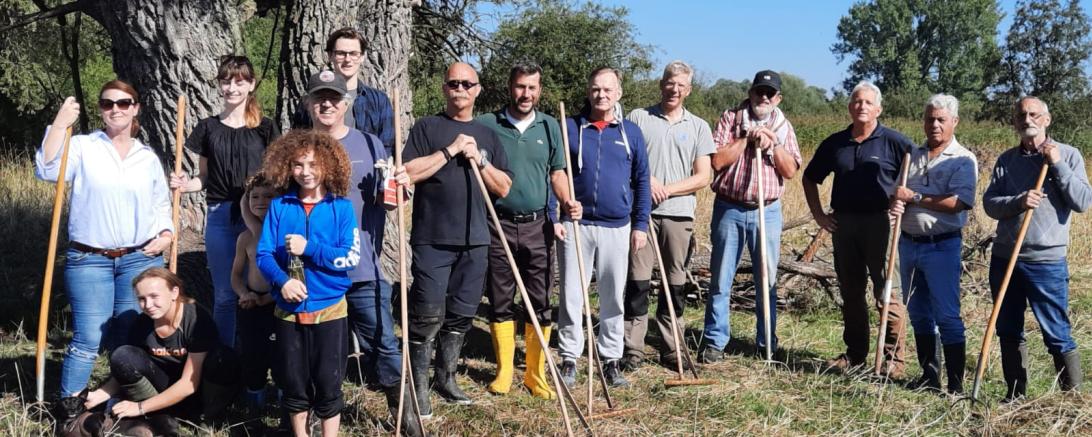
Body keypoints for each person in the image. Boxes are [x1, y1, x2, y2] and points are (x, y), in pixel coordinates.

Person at [38, 81, 174, 419]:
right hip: (89, 258)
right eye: (107, 103)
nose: (116, 109)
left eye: (124, 103)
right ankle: (69, 411)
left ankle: (116, 408)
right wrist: (60, 124)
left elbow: (160, 204)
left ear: (135, 108)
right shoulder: (83, 146)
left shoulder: (147, 157)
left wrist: (167, 233)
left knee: (127, 338)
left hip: (138, 258)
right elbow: (47, 170)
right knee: (87, 337)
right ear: (100, 109)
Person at [302, 69, 423, 435]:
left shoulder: (370, 145)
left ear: (346, 103)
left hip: (361, 266)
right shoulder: (298, 148)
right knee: (317, 349)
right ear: (308, 104)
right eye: (319, 98)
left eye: (334, 98)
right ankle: (315, 413)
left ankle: (404, 414)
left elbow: (388, 201)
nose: (327, 104)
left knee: (383, 342)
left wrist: (399, 191)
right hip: (312, 270)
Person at [395, 62, 512, 417]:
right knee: (427, 315)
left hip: (476, 239)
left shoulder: (488, 135)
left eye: (467, 83)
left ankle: (445, 378)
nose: (460, 89)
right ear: (445, 88)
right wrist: (450, 151)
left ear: (477, 89)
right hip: (432, 238)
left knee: (461, 314)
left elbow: (504, 187)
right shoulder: (427, 127)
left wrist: (480, 160)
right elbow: (407, 173)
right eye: (454, 83)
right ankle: (418, 388)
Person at [476, 61, 580, 399]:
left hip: (539, 226)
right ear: (511, 87)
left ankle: (535, 373)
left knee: (540, 299)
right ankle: (504, 371)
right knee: (500, 298)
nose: (526, 93)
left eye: (532, 87)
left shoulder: (550, 126)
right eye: (521, 86)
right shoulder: (487, 124)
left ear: (540, 90)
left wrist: (567, 201)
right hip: (498, 224)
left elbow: (557, 173)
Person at [983, 96, 1091, 401]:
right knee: (1008, 328)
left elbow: (1082, 201)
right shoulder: (1006, 160)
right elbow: (990, 203)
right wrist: (1019, 201)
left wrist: (1056, 164)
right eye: (1021, 115)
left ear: (1047, 119)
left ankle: (1072, 401)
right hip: (1005, 257)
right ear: (1015, 122)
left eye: (1033, 114)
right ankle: (1015, 395)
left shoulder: (1068, 155)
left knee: (1056, 332)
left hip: (1046, 262)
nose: (1027, 119)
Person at [802, 80, 911, 376]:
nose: (862, 106)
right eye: (857, 101)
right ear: (850, 107)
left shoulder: (895, 142)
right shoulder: (836, 143)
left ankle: (893, 360)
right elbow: (810, 178)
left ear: (879, 109)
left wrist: (903, 203)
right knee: (851, 292)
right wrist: (819, 215)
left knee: (887, 292)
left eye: (868, 102)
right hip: (844, 224)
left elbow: (918, 175)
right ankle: (855, 354)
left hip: (882, 224)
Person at [256, 130, 361, 437]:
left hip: (330, 310)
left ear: (328, 165)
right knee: (294, 382)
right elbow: (263, 254)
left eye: (313, 164)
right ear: (287, 167)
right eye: (298, 165)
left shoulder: (341, 208)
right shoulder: (280, 206)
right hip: (288, 311)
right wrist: (282, 282)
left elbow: (350, 258)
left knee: (329, 382)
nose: (306, 172)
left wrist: (309, 248)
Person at [170, 55, 279, 348]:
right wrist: (185, 185)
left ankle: (261, 353)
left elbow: (275, 177)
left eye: (239, 81)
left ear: (251, 84)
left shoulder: (266, 128)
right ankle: (224, 360)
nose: (232, 87)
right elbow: (203, 178)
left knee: (263, 287)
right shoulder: (208, 128)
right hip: (220, 215)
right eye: (226, 81)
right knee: (225, 295)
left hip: (260, 215)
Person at [557, 66, 651, 388]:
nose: (601, 95)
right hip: (576, 224)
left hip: (617, 226)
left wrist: (640, 224)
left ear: (618, 93)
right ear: (588, 91)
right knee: (572, 294)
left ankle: (610, 359)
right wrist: (556, 214)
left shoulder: (631, 133)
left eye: (608, 90)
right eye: (596, 89)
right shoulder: (570, 128)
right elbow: (554, 172)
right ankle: (569, 357)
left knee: (613, 296)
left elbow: (642, 180)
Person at [699, 70, 801, 363]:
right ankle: (715, 341)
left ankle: (766, 343)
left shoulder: (783, 126)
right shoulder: (730, 119)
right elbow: (717, 161)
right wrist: (746, 138)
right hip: (729, 208)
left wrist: (773, 144)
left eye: (770, 93)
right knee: (721, 279)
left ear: (778, 98)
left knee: (766, 280)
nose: (764, 97)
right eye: (760, 91)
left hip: (767, 211)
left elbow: (790, 170)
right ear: (751, 93)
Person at [622, 61, 716, 371]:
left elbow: (703, 176)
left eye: (681, 85)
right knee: (637, 282)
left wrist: (667, 189)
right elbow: (624, 158)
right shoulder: (638, 117)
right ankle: (632, 349)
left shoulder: (698, 126)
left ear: (689, 90)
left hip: (679, 216)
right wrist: (647, 182)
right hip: (642, 215)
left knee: (674, 285)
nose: (674, 89)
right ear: (661, 84)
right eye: (670, 83)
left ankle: (672, 348)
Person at [80, 268, 240, 436]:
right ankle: (160, 414)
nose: (148, 305)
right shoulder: (142, 324)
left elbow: (189, 384)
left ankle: (208, 417)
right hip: (164, 385)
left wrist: (140, 407)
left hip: (198, 387)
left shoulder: (196, 320)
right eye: (142, 299)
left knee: (223, 358)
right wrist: (98, 395)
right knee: (122, 355)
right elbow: (125, 367)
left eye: (154, 296)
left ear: (174, 292)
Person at [888, 94, 977, 394]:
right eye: (930, 119)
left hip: (942, 247)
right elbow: (898, 193)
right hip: (909, 244)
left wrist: (914, 197)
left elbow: (958, 202)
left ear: (954, 122)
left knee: (947, 315)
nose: (935, 125)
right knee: (919, 313)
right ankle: (930, 377)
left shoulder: (962, 159)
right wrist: (896, 203)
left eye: (941, 119)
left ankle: (956, 385)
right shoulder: (911, 156)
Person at [292, 27, 394, 154]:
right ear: (330, 56)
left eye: (353, 54)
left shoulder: (379, 101)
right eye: (341, 53)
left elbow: (386, 147)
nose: (347, 59)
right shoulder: (311, 102)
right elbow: (298, 143)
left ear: (362, 57)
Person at [230, 172, 279, 412]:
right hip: (251, 304)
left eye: (268, 196)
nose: (260, 201)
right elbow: (236, 275)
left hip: (278, 303)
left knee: (281, 356)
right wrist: (244, 294)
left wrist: (266, 298)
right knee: (252, 354)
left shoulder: (283, 236)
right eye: (255, 196)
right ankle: (254, 407)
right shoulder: (245, 238)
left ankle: (285, 402)